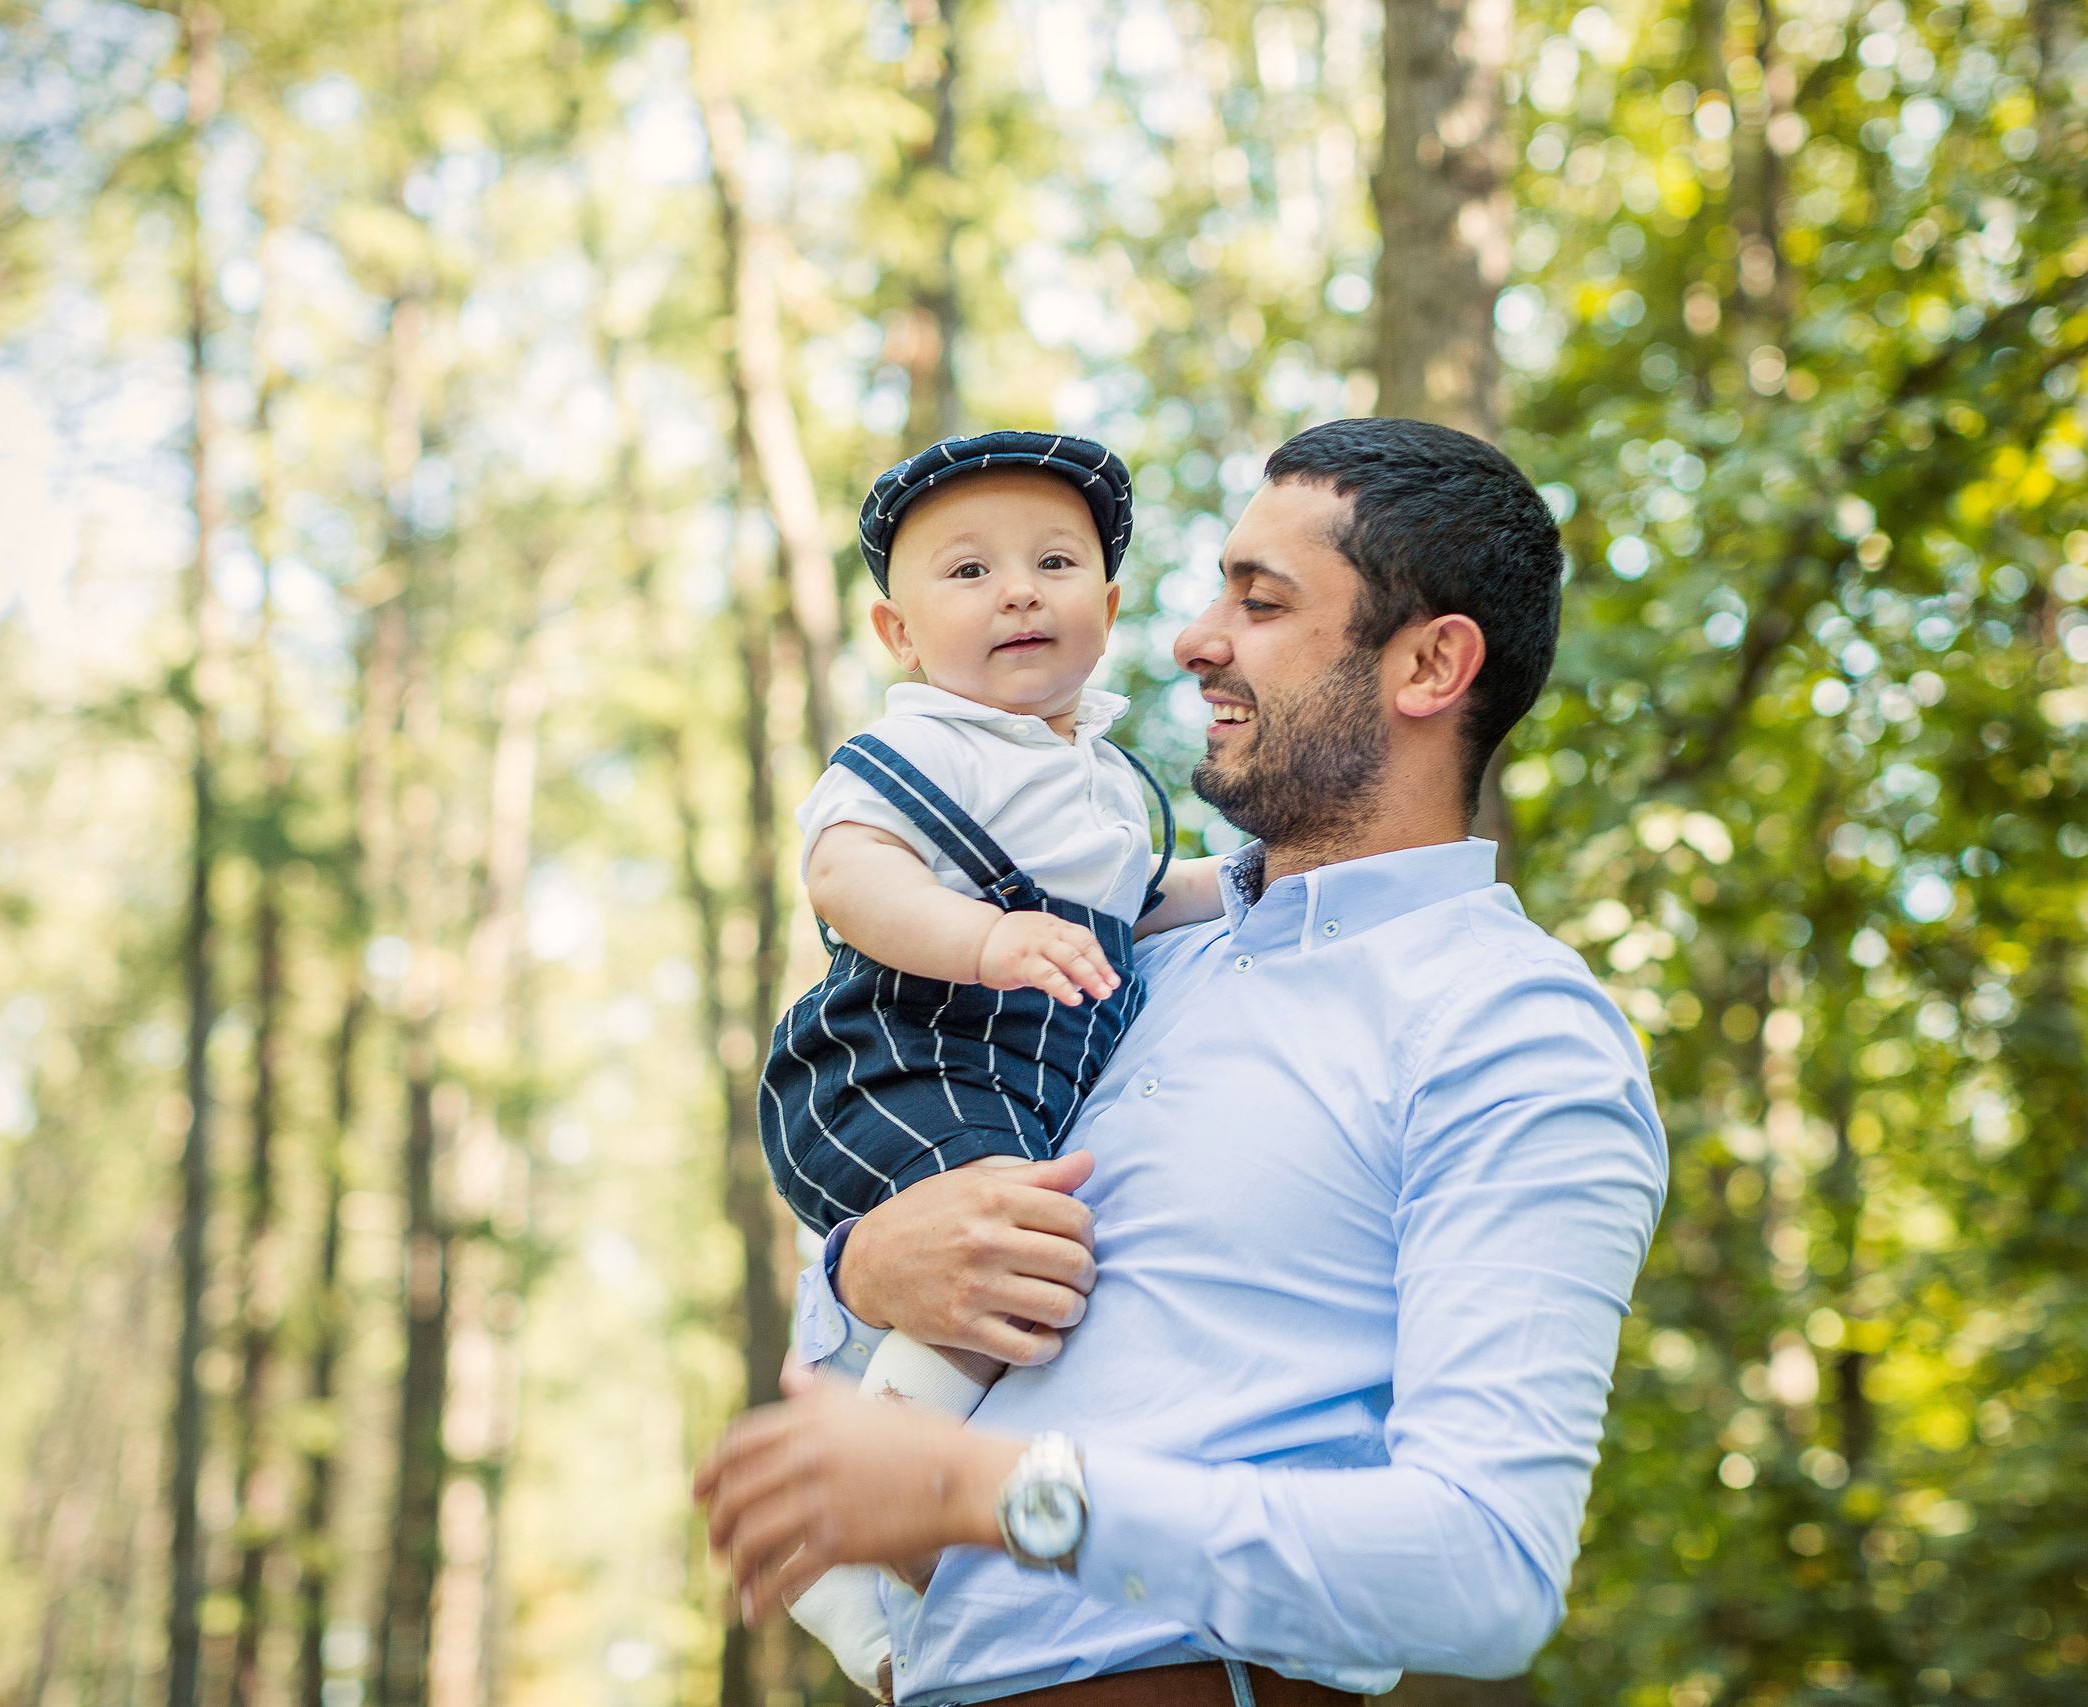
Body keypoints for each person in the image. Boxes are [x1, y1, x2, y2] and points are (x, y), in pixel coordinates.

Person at [701, 417, 1669, 1707]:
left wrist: (983, 1491)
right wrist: (864, 1265)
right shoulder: (1118, 961)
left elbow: (1484, 1571)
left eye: (1258, 603)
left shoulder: (1510, 1027)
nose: (1191, 637)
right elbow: (905, 1244)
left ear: (1431, 664)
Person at [763, 430, 1224, 1693]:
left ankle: (852, 1577)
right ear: (899, 635)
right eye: (966, 573)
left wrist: (1243, 888)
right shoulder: (929, 747)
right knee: (1007, 1262)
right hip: (905, 1057)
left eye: (1053, 561)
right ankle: (869, 1472)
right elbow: (846, 875)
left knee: (1017, 1264)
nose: (1018, 589)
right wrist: (982, 937)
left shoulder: (1105, 778)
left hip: (1017, 1083)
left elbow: (1138, 902)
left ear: (1109, 606)